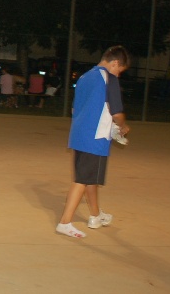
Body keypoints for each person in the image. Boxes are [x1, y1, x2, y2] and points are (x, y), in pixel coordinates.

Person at [56, 45, 130, 238]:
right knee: (82, 180)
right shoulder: (109, 78)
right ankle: (65, 222)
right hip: (95, 138)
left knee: (89, 179)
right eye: (119, 70)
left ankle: (95, 215)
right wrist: (122, 126)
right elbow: (117, 112)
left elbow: (74, 109)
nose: (118, 75)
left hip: (79, 135)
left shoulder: (84, 77)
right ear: (115, 63)